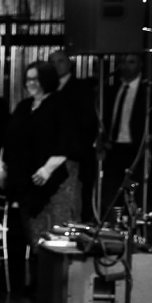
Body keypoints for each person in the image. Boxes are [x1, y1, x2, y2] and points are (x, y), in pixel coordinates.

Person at [1, 60, 79, 257]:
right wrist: (2, 164)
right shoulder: (24, 106)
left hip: (50, 181)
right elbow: (9, 137)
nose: (31, 83)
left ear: (47, 79)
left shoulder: (60, 103)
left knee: (51, 232)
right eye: (28, 79)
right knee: (30, 233)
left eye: (36, 79)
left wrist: (47, 169)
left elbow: (66, 140)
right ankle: (32, 280)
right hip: (23, 181)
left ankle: (47, 281)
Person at [101, 53, 152, 216]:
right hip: (114, 149)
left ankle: (143, 234)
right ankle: (113, 233)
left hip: (138, 150)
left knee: (140, 197)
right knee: (110, 196)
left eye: (131, 62)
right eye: (122, 62)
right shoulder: (111, 90)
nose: (125, 66)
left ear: (140, 65)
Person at [48, 47, 100, 221]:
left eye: (60, 61)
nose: (56, 66)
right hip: (51, 154)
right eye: (52, 62)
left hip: (75, 155)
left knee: (75, 201)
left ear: (69, 64)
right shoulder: (47, 88)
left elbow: (87, 122)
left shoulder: (82, 88)